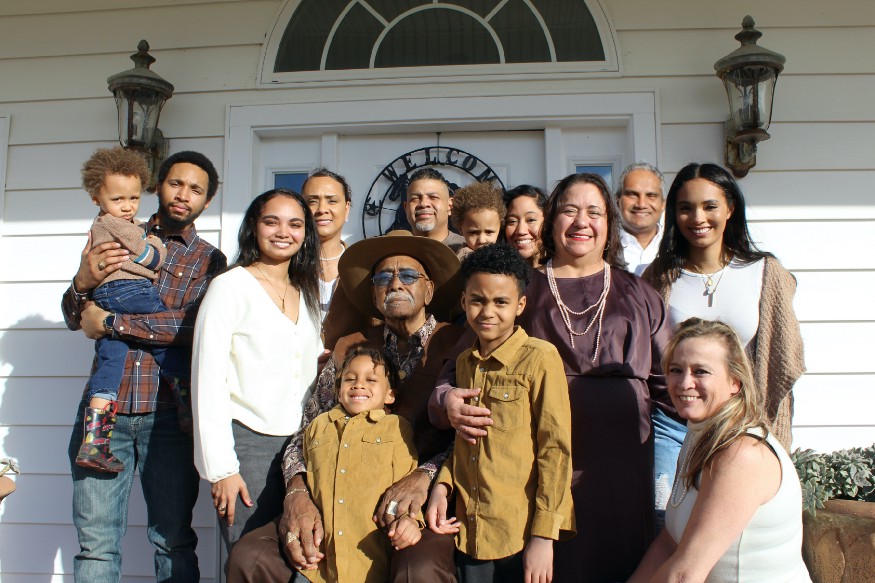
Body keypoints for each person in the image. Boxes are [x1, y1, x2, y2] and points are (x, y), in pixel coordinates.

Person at [432, 173, 674, 582]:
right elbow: (453, 372)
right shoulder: (519, 291)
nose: (582, 222)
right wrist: (447, 402)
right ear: (551, 222)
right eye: (569, 211)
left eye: (594, 212)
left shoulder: (640, 294)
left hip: (621, 473)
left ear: (609, 224)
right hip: (528, 480)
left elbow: (671, 388)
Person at [226, 230, 466, 583]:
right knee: (251, 558)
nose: (395, 284)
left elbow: (468, 436)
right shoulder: (349, 348)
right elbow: (305, 431)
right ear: (373, 293)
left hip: (421, 502)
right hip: (334, 493)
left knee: (420, 568)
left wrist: (423, 476)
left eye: (409, 275)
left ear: (429, 289)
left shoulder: (457, 345)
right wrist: (297, 493)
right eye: (383, 277)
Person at [62, 150, 227, 582]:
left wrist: (112, 321)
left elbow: (190, 326)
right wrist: (81, 283)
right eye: (176, 184)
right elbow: (73, 315)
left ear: (206, 202)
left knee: (172, 540)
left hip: (169, 417)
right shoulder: (111, 233)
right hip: (105, 415)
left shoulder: (211, 261)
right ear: (159, 187)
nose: (182, 195)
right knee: (95, 548)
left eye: (195, 189)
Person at [426, 242, 574, 582]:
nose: (487, 311)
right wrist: (442, 486)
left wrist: (543, 535)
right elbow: (465, 442)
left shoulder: (540, 358)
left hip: (519, 532)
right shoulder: (464, 363)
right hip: (471, 530)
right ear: (464, 302)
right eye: (477, 300)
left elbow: (555, 450)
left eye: (501, 302)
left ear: (520, 305)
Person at [628, 319, 812, 583]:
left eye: (700, 371)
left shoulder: (741, 455)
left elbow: (684, 575)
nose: (684, 383)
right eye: (676, 370)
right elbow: (669, 543)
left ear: (735, 382)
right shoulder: (699, 432)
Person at [192, 189, 323, 549]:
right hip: (249, 444)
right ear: (254, 226)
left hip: (302, 444)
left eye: (295, 224)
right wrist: (222, 468)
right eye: (272, 221)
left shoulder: (304, 291)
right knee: (251, 556)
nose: (284, 232)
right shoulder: (229, 287)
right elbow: (208, 379)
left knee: (300, 557)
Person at [644, 162, 805, 451]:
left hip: (745, 425)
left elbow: (785, 360)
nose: (697, 217)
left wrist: (758, 424)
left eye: (709, 206)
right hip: (676, 429)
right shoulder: (658, 278)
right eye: (686, 208)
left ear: (730, 208)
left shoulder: (766, 273)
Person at [73, 147, 186, 473]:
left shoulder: (104, 225)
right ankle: (185, 397)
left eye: (133, 199)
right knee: (163, 330)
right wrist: (156, 245)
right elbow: (150, 258)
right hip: (127, 290)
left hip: (106, 296)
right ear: (97, 198)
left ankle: (95, 442)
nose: (127, 206)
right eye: (118, 199)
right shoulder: (118, 226)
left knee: (109, 364)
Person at [293, 346, 423, 583]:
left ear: (390, 395)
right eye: (350, 379)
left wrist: (410, 521)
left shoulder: (396, 429)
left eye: (371, 379)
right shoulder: (318, 427)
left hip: (369, 567)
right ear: (338, 389)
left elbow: (407, 481)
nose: (358, 385)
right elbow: (307, 480)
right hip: (317, 569)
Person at [301, 168, 352, 320]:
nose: (322, 209)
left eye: (332, 201)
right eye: (312, 201)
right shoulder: (288, 265)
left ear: (346, 208)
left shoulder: (363, 267)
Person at [616, 162, 666, 276]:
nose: (642, 204)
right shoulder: (601, 248)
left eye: (651, 195)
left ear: (663, 203)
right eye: (632, 194)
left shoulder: (677, 247)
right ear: (617, 201)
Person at [405, 167, 465, 253]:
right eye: (415, 198)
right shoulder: (392, 251)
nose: (423, 204)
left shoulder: (470, 250)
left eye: (433, 197)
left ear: (450, 206)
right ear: (405, 207)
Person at [448, 181, 506, 259]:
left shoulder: (498, 253)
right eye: (474, 232)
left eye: (489, 232)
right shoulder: (466, 257)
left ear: (499, 228)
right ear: (460, 229)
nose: (482, 240)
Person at [503, 185, 547, 267]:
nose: (520, 231)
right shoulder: (495, 276)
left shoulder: (564, 274)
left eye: (531, 220)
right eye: (512, 221)